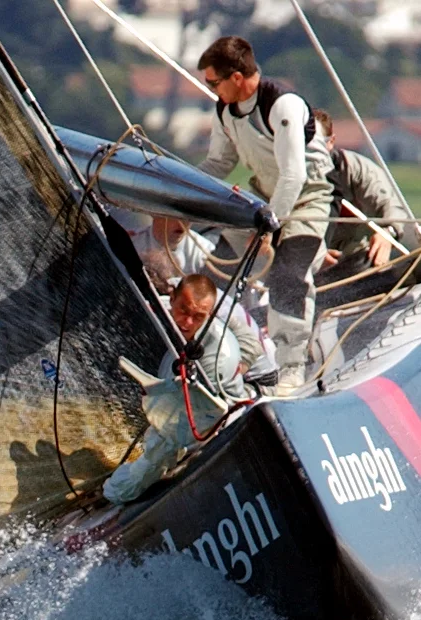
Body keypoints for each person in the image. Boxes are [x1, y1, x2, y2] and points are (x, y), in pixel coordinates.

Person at [162, 36, 335, 396]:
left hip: (307, 198)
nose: (212, 90)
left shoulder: (282, 106)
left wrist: (270, 227)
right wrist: (179, 190)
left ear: (237, 78)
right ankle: (208, 352)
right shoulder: (226, 111)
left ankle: (291, 368)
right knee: (222, 259)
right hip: (266, 195)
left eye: (214, 83)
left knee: (287, 273)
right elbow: (219, 163)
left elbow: (294, 176)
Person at [101, 275, 253, 504]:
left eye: (198, 317)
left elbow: (175, 433)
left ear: (210, 316)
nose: (188, 322)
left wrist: (121, 489)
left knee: (126, 484)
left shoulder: (216, 358)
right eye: (183, 310)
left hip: (213, 429)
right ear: (172, 299)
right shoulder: (159, 310)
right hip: (174, 400)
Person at [313, 109, 412, 284]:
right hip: (309, 267)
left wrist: (387, 233)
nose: (310, 154)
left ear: (331, 142)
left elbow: (390, 204)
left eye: (316, 145)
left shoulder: (359, 170)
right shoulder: (283, 177)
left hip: (360, 262)